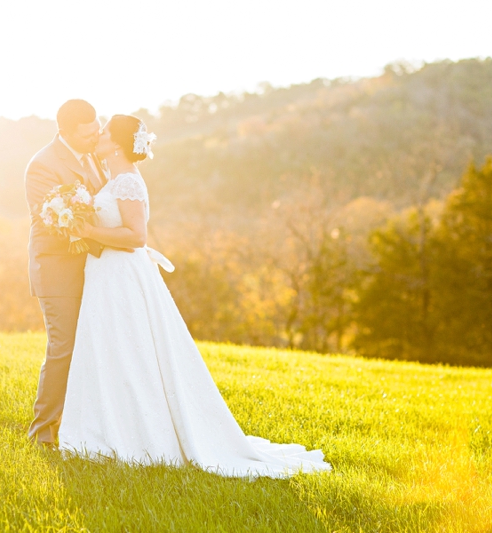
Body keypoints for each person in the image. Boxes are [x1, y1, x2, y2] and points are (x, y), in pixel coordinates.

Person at [59, 115, 331, 478]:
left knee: (130, 350)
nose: (100, 135)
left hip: (122, 275)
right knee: (110, 349)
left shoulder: (126, 182)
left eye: (105, 131)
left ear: (120, 144)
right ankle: (105, 426)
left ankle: (139, 433)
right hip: (105, 274)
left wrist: (87, 228)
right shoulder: (114, 179)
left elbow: (136, 236)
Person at [24, 99, 115, 447]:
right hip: (58, 270)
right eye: (88, 133)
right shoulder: (42, 165)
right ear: (65, 132)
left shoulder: (93, 154)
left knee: (93, 346)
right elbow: (52, 220)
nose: (96, 136)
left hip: (96, 268)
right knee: (63, 347)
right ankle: (42, 432)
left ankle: (86, 426)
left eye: (97, 129)